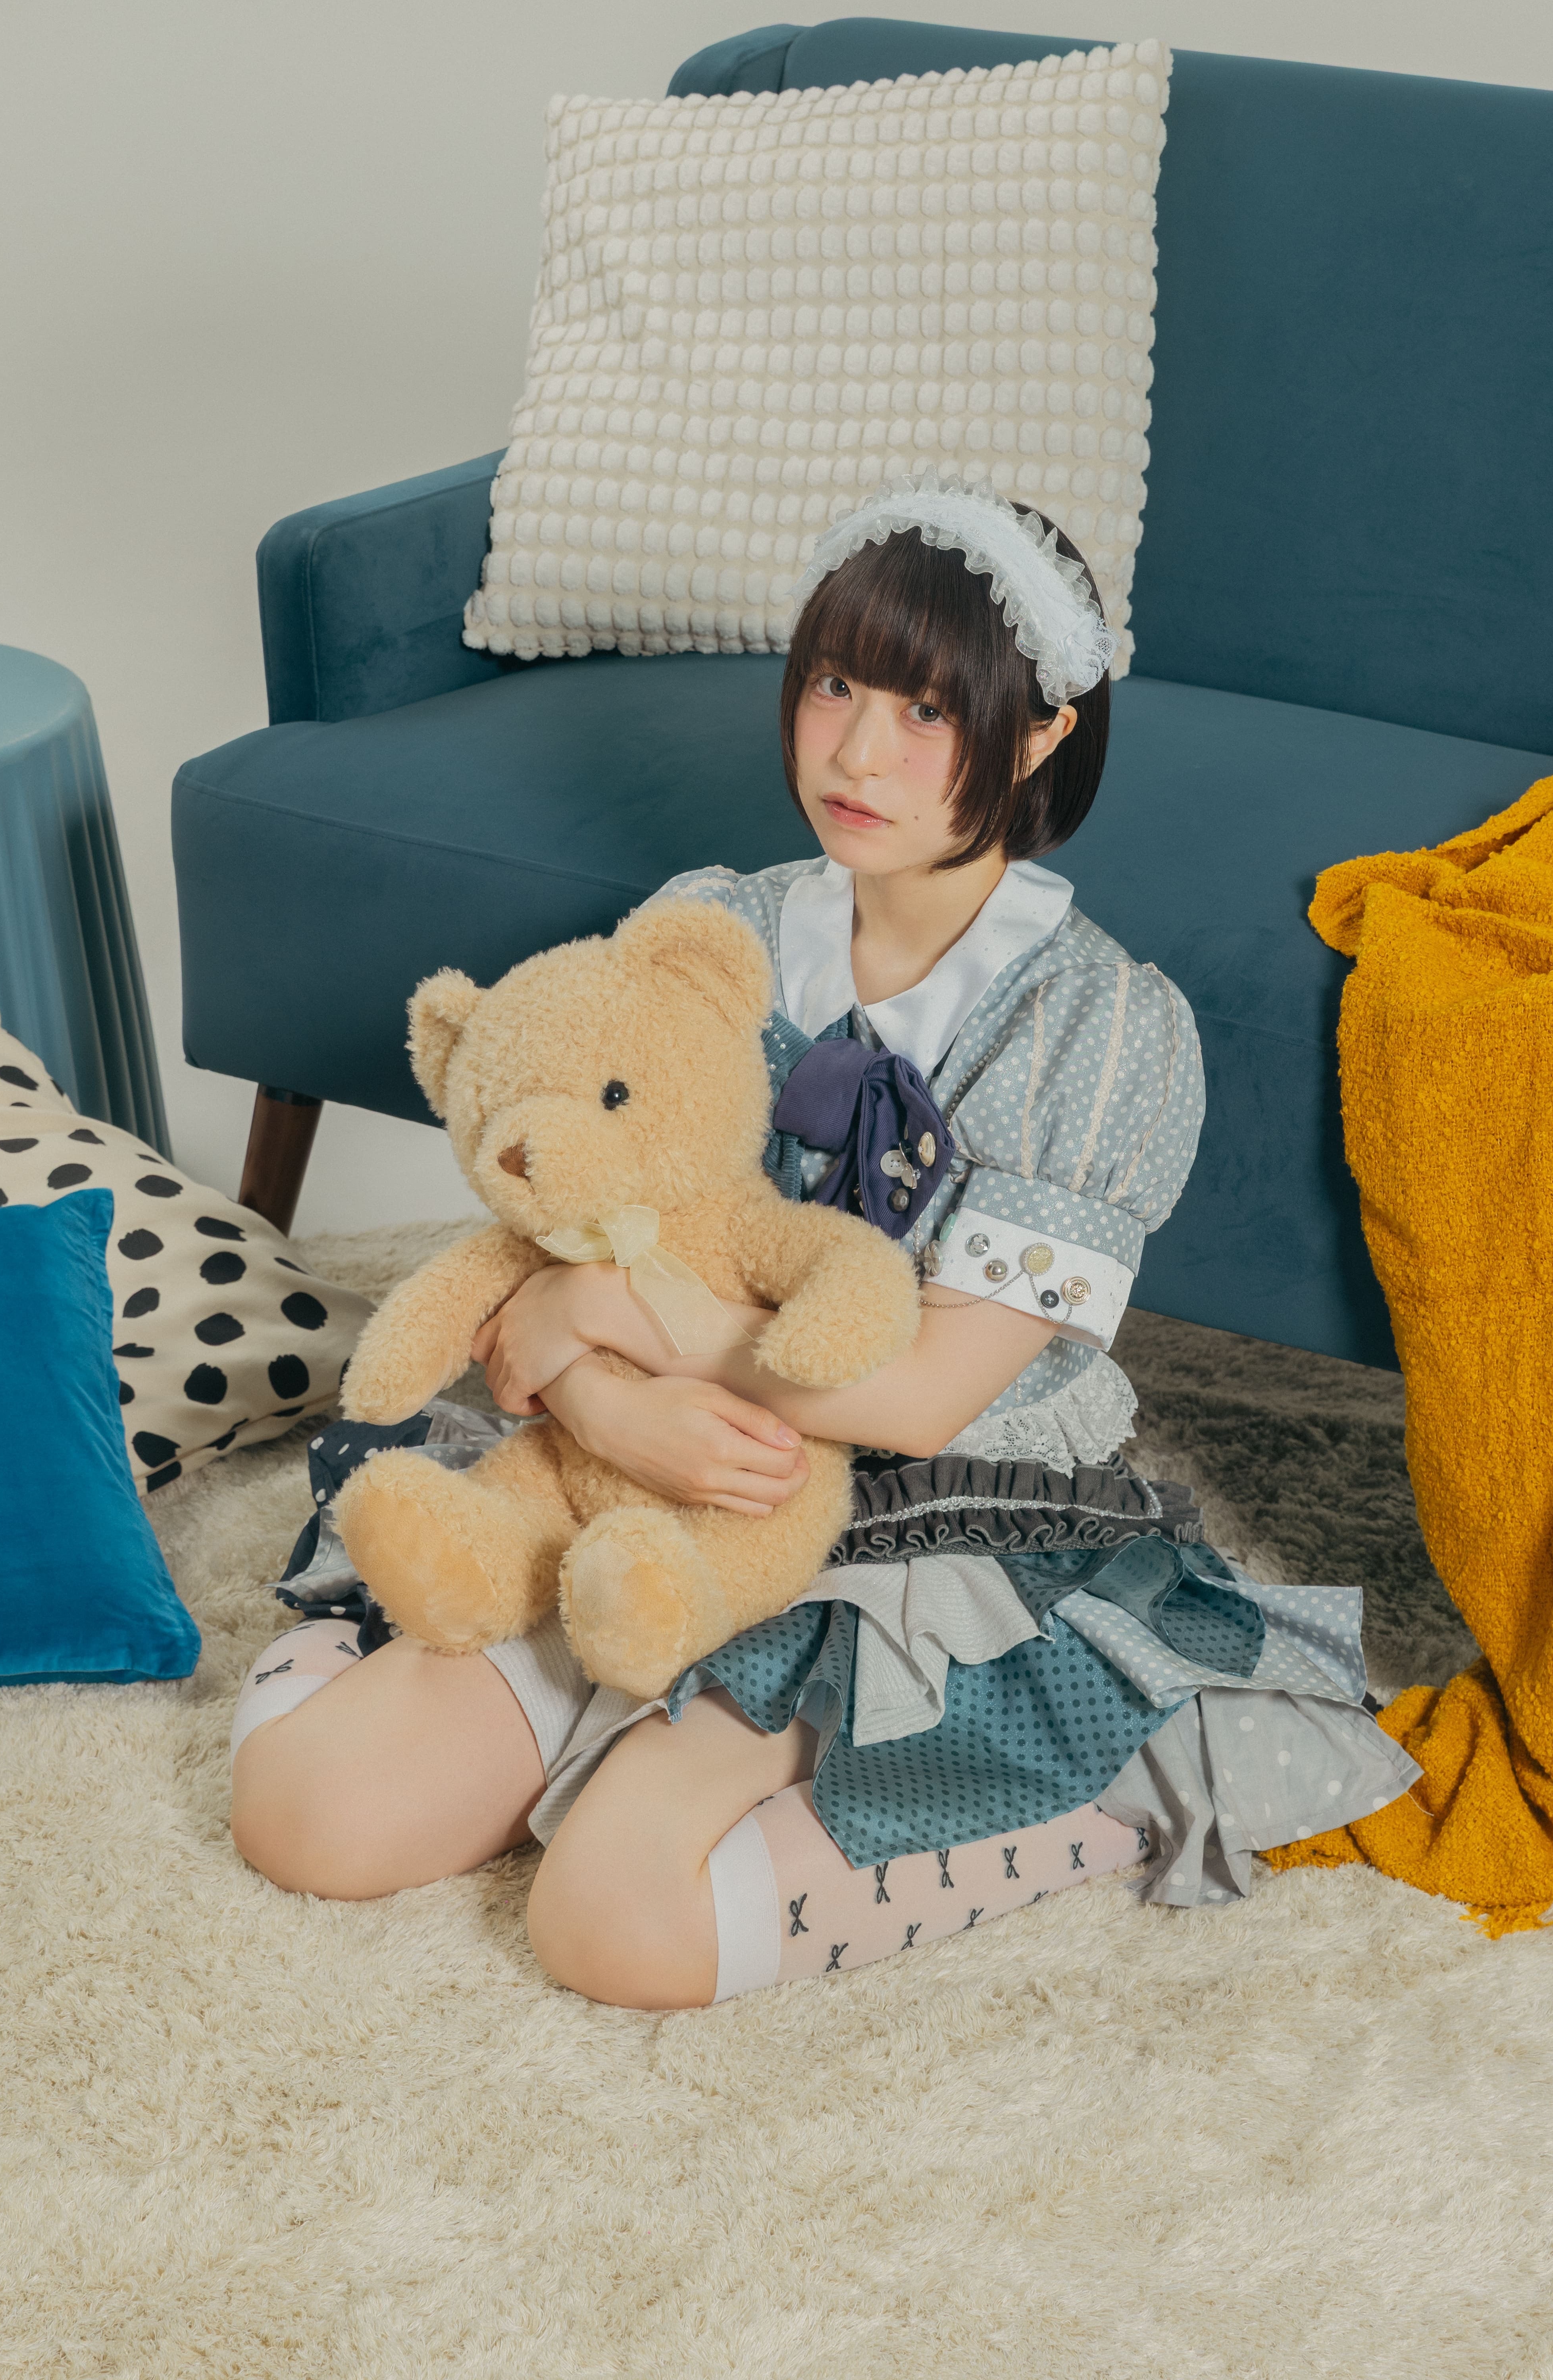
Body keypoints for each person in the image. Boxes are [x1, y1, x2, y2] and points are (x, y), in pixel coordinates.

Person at [230, 475, 1417, 2003]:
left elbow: (920, 1395)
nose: (859, 754)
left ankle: (1093, 1788)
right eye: (836, 686)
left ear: (1039, 736)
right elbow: (559, 1240)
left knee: (613, 1928)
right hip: (641, 1468)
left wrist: (624, 1322)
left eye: (928, 713)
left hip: (926, 1510)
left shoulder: (1104, 1031)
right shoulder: (712, 928)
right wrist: (605, 1403)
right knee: (303, 1817)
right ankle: (577, 1717)